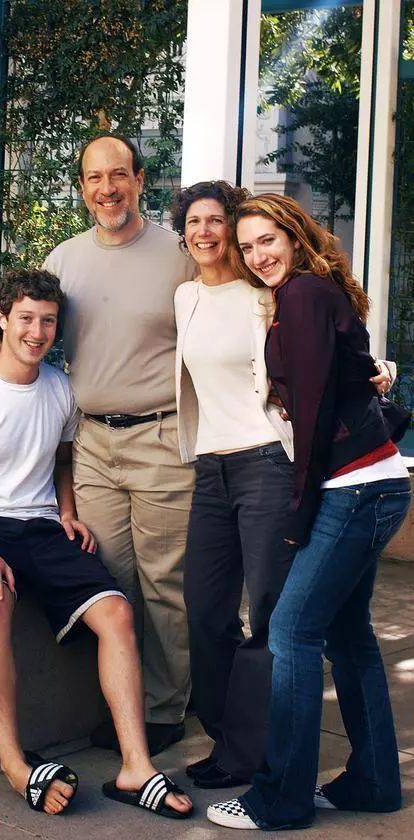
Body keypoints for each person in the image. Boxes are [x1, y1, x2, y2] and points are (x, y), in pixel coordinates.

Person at [0, 132, 196, 756]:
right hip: (92, 440)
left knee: (166, 584)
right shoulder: (65, 259)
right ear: (82, 187)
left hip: (160, 434)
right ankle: (119, 706)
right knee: (113, 575)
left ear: (139, 180)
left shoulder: (178, 256)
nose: (107, 188)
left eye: (119, 175)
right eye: (94, 178)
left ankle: (163, 710)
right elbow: (28, 321)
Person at [0, 268, 193, 819]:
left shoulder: (60, 388)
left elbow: (62, 460)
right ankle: (15, 764)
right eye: (25, 318)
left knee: (118, 613)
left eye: (48, 321)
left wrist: (68, 512)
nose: (37, 332)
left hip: (44, 527)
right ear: (1, 319)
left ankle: (135, 766)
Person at [207, 193, 411, 831]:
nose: (257, 255)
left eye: (268, 240)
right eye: (247, 246)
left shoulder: (302, 295)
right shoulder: (309, 294)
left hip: (354, 488)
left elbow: (316, 410)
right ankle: (374, 781)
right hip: (372, 483)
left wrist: (300, 507)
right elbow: (347, 376)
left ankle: (281, 797)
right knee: (349, 636)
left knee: (293, 632)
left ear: (295, 237)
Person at [172, 180, 296, 788]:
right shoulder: (185, 296)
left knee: (269, 608)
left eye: (215, 220)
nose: (204, 232)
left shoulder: (262, 295)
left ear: (232, 229)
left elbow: (312, 354)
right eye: (193, 222)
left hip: (266, 461)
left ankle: (254, 752)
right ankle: (227, 738)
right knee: (204, 608)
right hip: (211, 467)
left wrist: (377, 370)